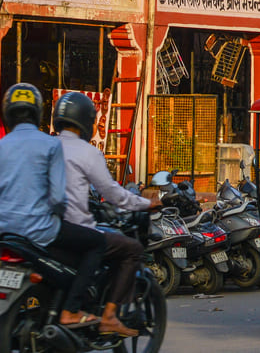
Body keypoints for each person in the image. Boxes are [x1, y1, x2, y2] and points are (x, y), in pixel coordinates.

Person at [0, 83, 106, 329]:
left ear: (8, 113)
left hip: (6, 236)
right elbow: (58, 197)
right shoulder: (50, 145)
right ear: (38, 112)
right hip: (42, 232)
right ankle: (71, 311)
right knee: (97, 243)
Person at [53, 91, 158, 338]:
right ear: (86, 121)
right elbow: (114, 194)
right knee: (131, 249)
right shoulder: (87, 152)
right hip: (73, 228)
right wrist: (146, 204)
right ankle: (109, 316)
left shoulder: (46, 145)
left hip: (43, 228)